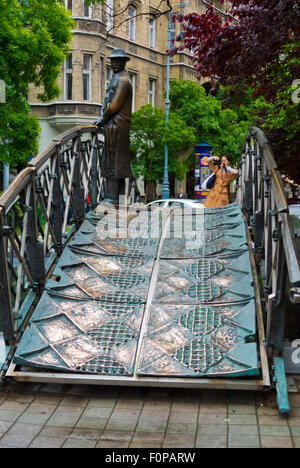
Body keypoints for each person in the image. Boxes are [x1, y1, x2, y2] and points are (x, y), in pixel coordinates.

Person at [94, 49, 133, 204]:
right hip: (119, 126)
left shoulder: (122, 80)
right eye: (114, 60)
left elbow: (114, 105)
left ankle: (112, 198)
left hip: (116, 127)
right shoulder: (118, 78)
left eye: (119, 61)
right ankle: (121, 200)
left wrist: (102, 120)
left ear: (124, 62)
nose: (115, 63)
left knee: (114, 163)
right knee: (120, 164)